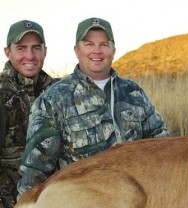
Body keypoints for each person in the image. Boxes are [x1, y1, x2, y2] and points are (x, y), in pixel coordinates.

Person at [17, 17, 169, 197]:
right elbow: (35, 169)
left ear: (113, 50)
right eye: (89, 44)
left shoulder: (134, 92)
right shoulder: (52, 100)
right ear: (77, 50)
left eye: (104, 44)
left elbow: (162, 144)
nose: (97, 51)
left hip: (137, 203)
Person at [0, 20, 56, 208]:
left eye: (36, 48)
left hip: (56, 205)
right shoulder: (2, 95)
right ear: (8, 52)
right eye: (21, 48)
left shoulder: (58, 92)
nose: (30, 56)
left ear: (45, 51)